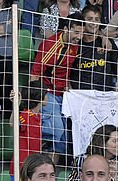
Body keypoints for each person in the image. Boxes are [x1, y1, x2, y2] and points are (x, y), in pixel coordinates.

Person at [29, 15, 82, 158]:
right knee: (57, 130)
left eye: (81, 32)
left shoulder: (77, 46)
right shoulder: (50, 46)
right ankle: (34, 138)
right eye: (76, 32)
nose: (79, 36)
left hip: (65, 95)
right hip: (48, 93)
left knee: (62, 141)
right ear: (66, 29)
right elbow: (34, 75)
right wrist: (39, 99)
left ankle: (50, 174)